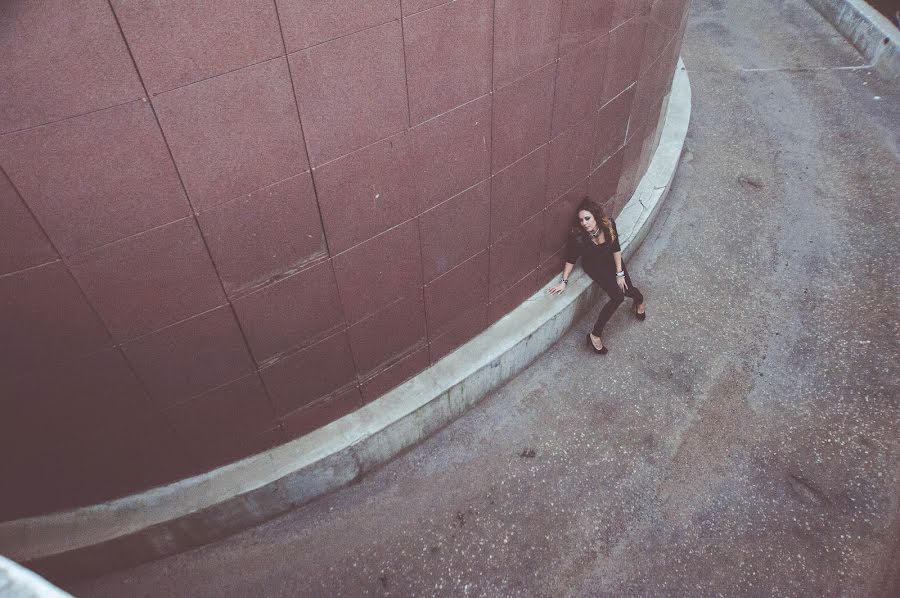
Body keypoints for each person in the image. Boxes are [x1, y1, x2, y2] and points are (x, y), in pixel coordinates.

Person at [547, 197, 646, 354]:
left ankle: (639, 299)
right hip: (594, 265)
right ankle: (595, 335)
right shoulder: (578, 238)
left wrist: (620, 273)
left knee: (627, 289)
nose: (584, 223)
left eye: (587, 218)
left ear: (596, 216)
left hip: (611, 260)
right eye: (581, 220)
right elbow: (570, 259)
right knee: (617, 297)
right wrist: (563, 281)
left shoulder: (608, 225)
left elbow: (616, 248)